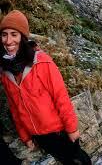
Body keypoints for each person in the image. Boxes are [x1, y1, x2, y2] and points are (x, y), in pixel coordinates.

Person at [0, 10, 91, 165]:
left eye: (14, 34)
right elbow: (15, 108)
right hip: (38, 135)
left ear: (22, 37)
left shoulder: (42, 62)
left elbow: (61, 97)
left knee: (79, 160)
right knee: (64, 160)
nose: (8, 41)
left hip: (58, 132)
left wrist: (72, 128)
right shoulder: (5, 71)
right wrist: (25, 136)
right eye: (4, 34)